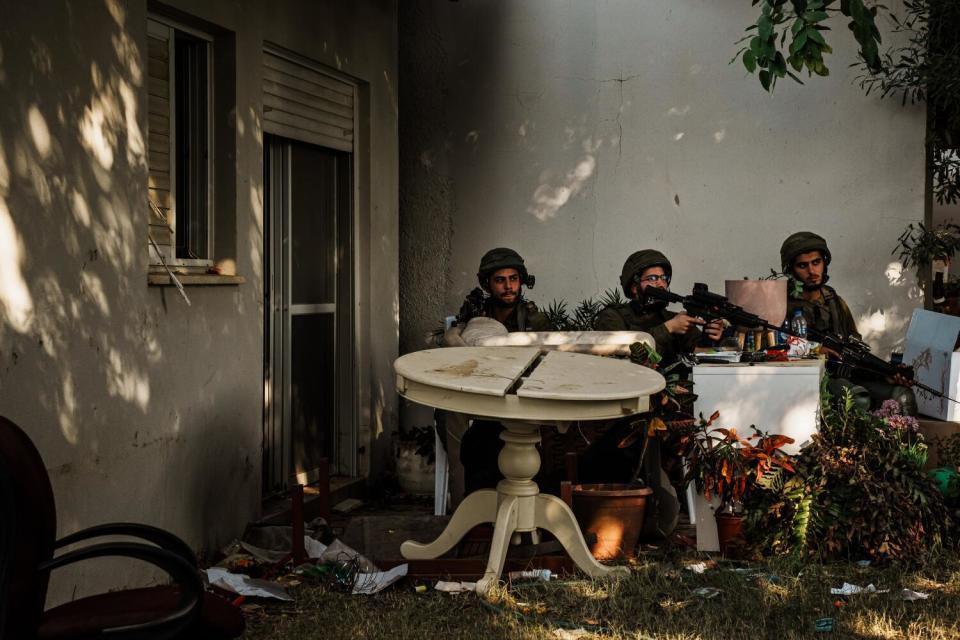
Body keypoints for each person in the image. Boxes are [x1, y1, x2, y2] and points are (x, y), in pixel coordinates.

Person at [440, 248, 555, 497]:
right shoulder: (477, 314)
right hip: (480, 393)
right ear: (488, 284)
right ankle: (464, 503)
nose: (508, 287)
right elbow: (454, 350)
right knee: (454, 421)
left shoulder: (534, 320)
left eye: (513, 279)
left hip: (521, 397)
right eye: (500, 280)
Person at [780, 231, 917, 415]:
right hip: (810, 379)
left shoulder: (834, 301)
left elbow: (854, 350)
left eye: (816, 262)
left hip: (847, 375)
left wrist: (885, 374)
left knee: (903, 396)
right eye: (803, 266)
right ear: (791, 270)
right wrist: (813, 349)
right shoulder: (780, 304)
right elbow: (773, 345)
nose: (812, 272)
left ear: (824, 263)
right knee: (856, 398)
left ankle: (906, 444)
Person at [595, 249, 723, 364]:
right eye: (652, 278)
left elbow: (700, 352)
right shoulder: (612, 317)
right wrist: (668, 328)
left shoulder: (672, 319)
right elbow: (624, 353)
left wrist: (711, 335)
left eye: (663, 278)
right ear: (634, 287)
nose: (661, 284)